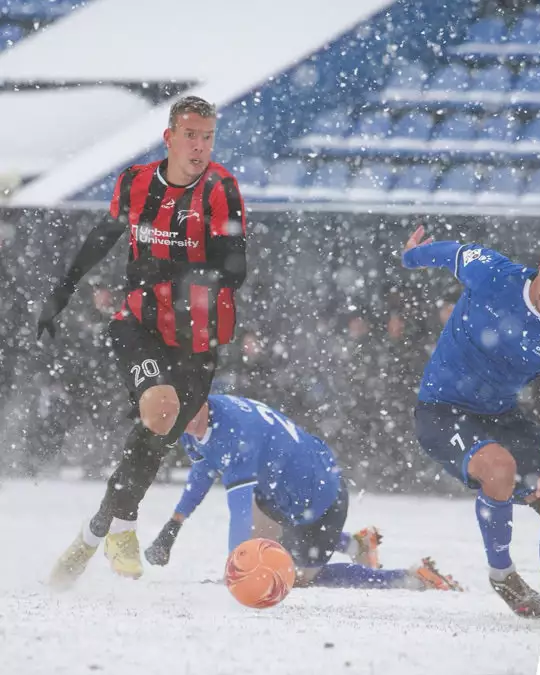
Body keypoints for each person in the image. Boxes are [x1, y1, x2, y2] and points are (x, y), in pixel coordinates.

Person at [41, 96, 249, 589]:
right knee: (158, 411)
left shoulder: (221, 188)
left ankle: (96, 532)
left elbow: (236, 268)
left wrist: (185, 274)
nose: (200, 146)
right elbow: (104, 234)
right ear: (170, 137)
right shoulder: (135, 182)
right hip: (138, 323)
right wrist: (62, 291)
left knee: (152, 442)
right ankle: (124, 530)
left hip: (199, 339)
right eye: (191, 135)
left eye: (208, 136)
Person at [400, 225, 540, 619]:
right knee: (499, 467)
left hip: (501, 417)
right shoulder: (492, 272)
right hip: (440, 410)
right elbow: (449, 252)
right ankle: (502, 573)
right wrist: (410, 257)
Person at [142, 394, 461, 591]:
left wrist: (235, 574)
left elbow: (239, 510)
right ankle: (354, 543)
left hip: (320, 498)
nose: (181, 422)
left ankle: (410, 578)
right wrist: (174, 524)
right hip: (289, 490)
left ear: (200, 397)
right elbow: (203, 470)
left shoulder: (234, 431)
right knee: (266, 547)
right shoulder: (197, 419)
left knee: (291, 577)